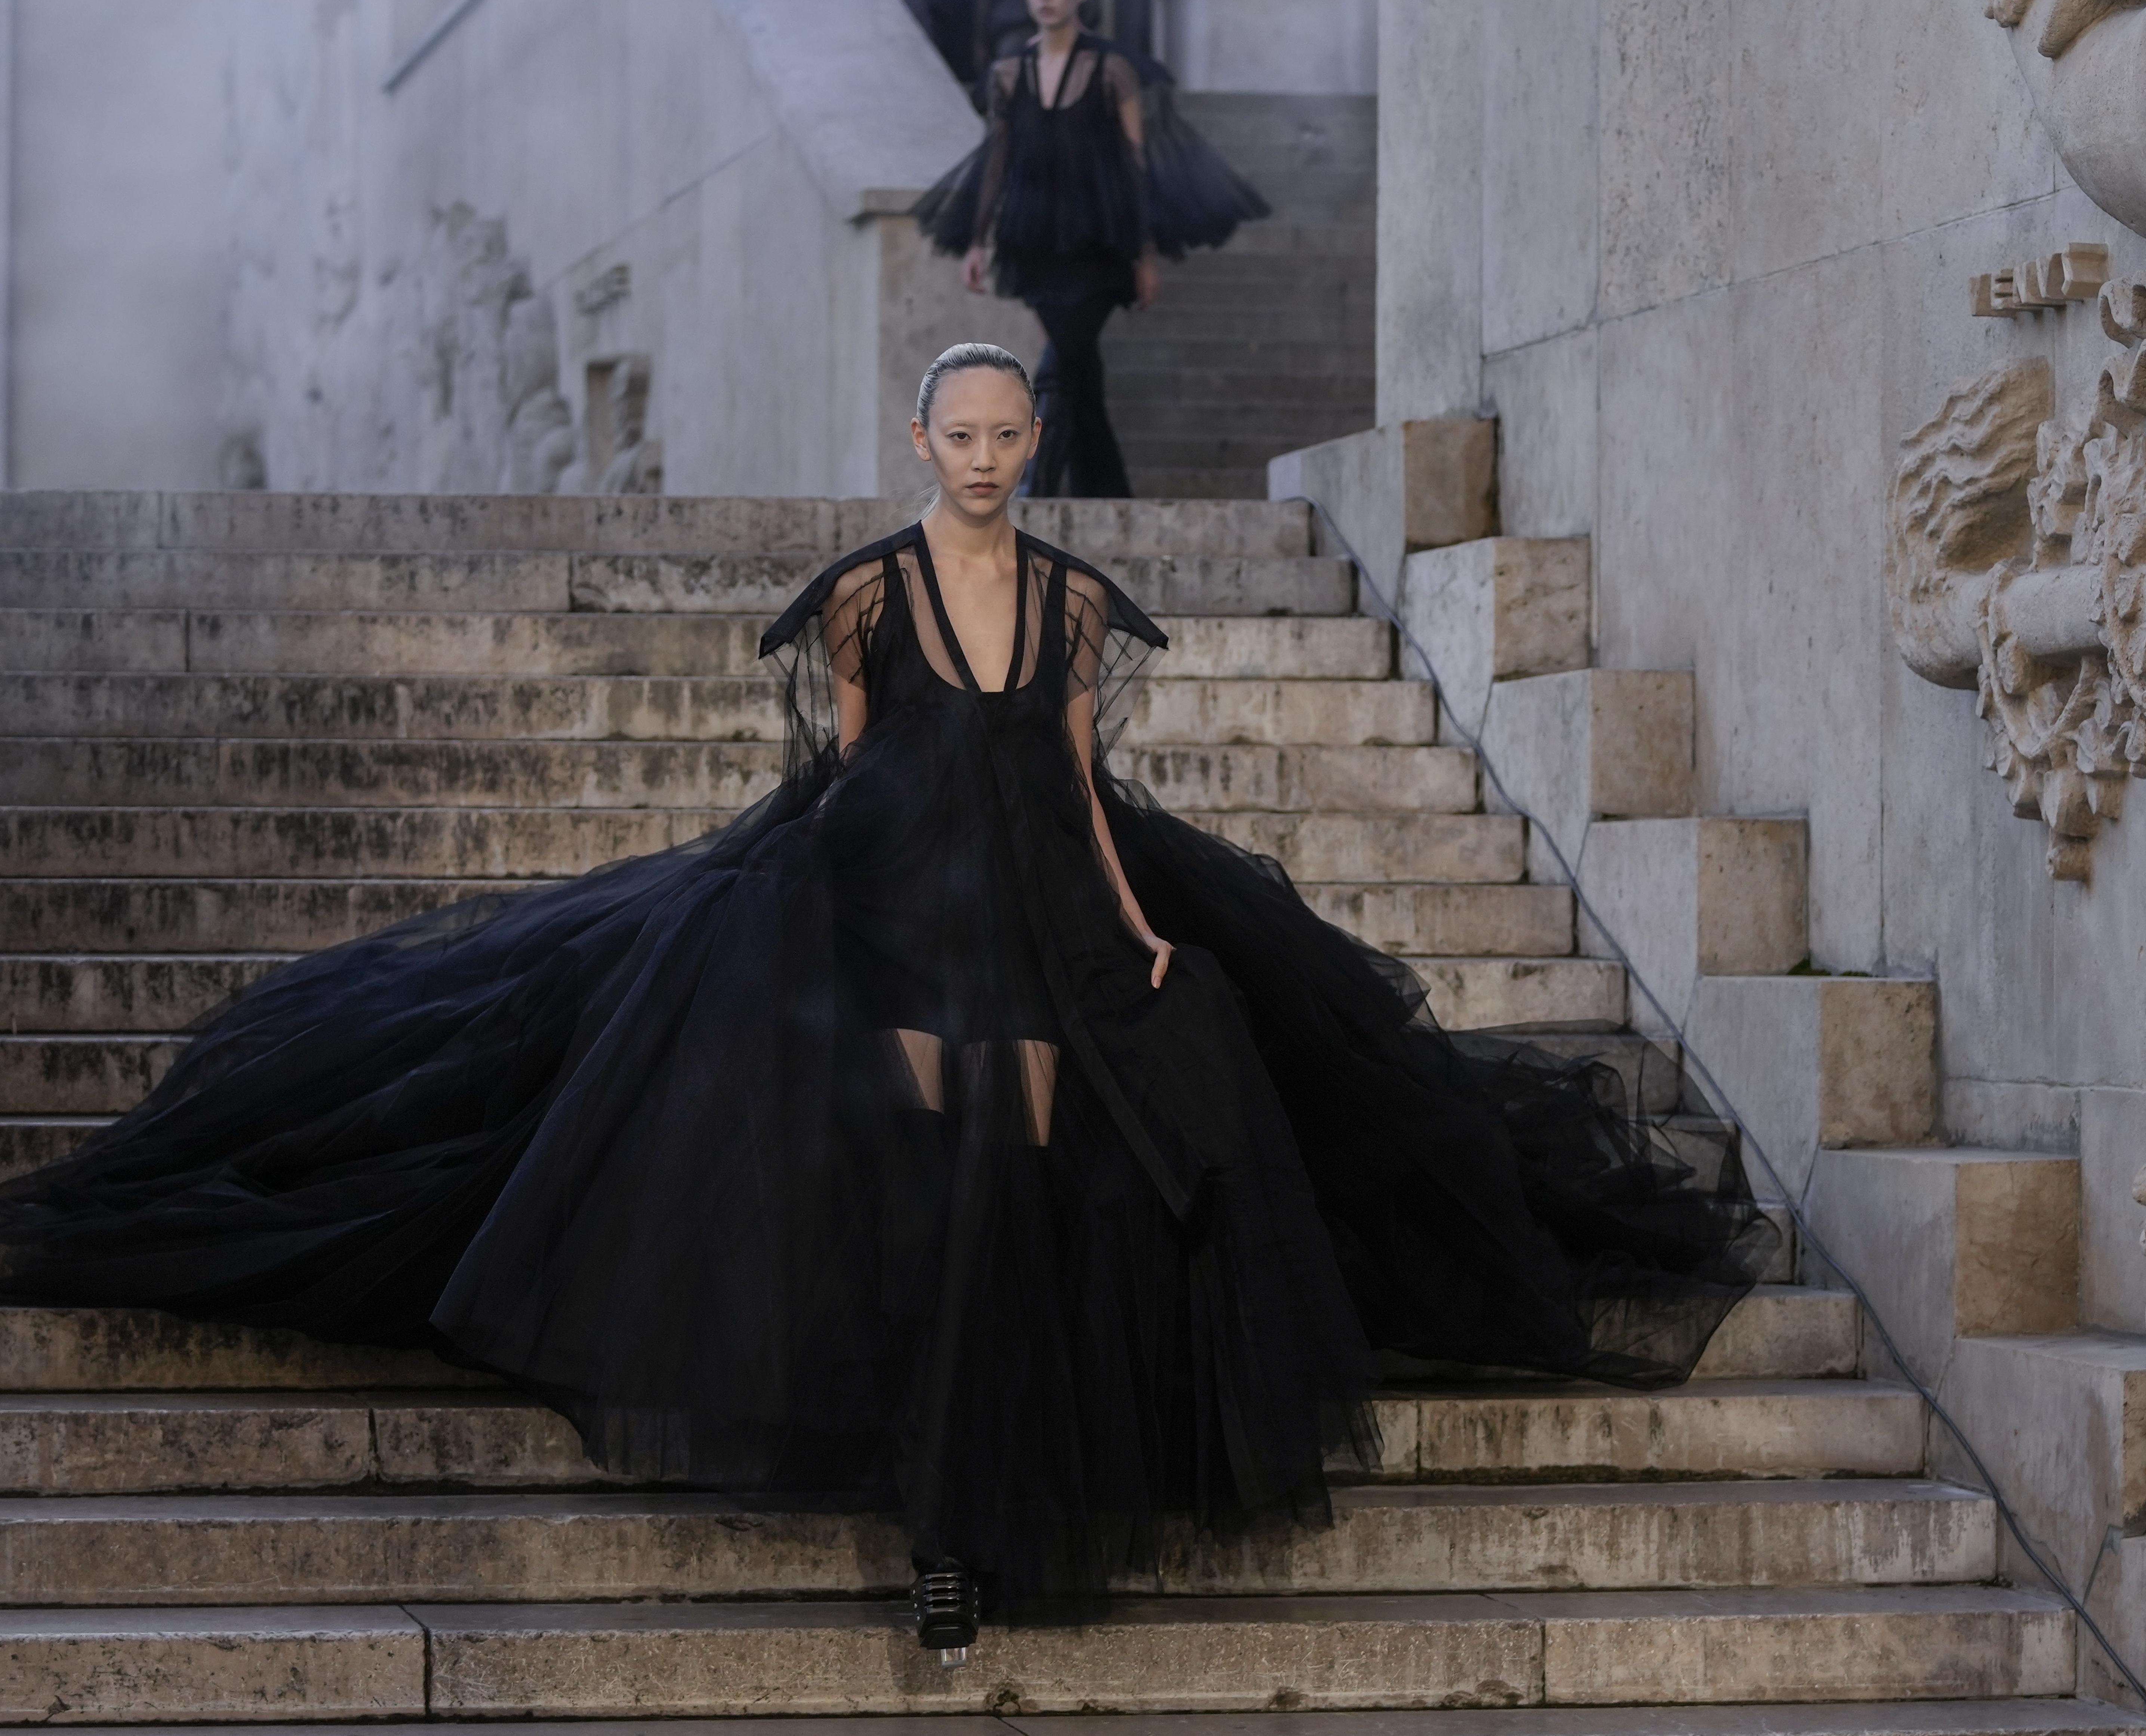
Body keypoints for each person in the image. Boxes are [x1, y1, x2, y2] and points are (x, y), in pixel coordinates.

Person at [0, 344, 1771, 1659]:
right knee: (936, 1174)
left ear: (1032, 444)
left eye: (1012, 436)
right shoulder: (864, 592)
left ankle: (993, 1510)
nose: (987, 459)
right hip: (903, 910)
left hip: (1047, 917)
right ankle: (947, 1530)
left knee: (1079, 1157)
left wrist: (1144, 929)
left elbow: (1075, 782)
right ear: (919, 440)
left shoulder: (1078, 603)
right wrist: (795, 925)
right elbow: (853, 771)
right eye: (962, 435)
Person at [914, 0, 1266, 498]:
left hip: (1101, 244)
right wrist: (977, 241)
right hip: (1035, 245)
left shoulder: (1112, 70)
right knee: (1080, 373)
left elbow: (1134, 163)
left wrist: (1145, 253)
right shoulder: (1009, 74)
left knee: (1063, 357)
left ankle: (1037, 485)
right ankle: (1105, 492)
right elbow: (998, 159)